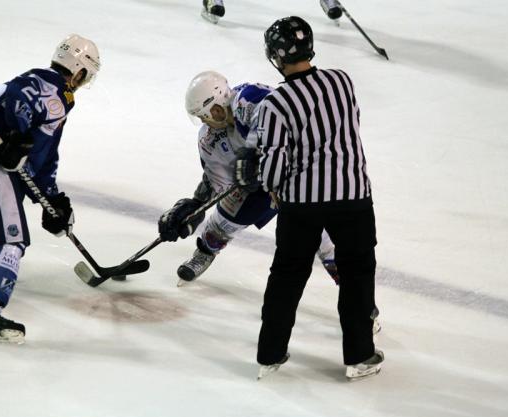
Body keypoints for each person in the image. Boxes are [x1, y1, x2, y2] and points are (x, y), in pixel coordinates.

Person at [235, 16, 383, 380]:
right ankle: (360, 356)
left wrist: (266, 184)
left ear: (275, 56)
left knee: (286, 276)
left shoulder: (275, 103)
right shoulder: (341, 80)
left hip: (301, 204)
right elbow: (351, 125)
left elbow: (273, 163)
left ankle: (269, 354)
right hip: (353, 197)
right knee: (357, 275)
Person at [0, 34, 100, 344]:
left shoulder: (57, 95)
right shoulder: (50, 83)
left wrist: (53, 199)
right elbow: (19, 96)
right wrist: (16, 133)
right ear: (79, 70)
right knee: (12, 237)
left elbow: (43, 155)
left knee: (9, 193)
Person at [157, 71, 340, 287]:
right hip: (257, 183)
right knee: (224, 218)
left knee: (319, 231)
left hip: (298, 172)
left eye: (202, 115)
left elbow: (284, 123)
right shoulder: (208, 139)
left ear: (215, 109)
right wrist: (195, 205)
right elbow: (218, 180)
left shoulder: (250, 97)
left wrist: (257, 156)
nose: (202, 121)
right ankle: (206, 251)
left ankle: (351, 286)